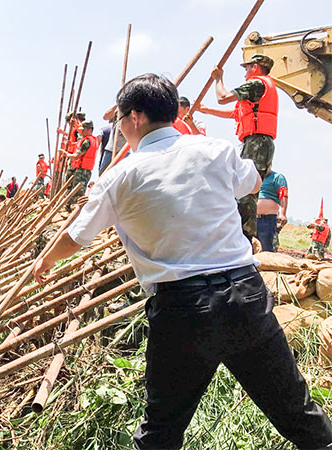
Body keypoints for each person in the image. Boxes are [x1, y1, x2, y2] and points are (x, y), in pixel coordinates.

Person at [34, 73, 332, 449]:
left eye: (120, 119)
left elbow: (74, 237)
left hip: (183, 310)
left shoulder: (121, 175)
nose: (120, 127)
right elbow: (253, 183)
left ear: (135, 117)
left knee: (162, 428)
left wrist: (43, 263)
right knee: (296, 411)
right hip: (245, 299)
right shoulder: (215, 150)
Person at [197, 54, 279, 242]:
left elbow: (223, 97)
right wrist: (206, 110)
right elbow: (234, 114)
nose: (245, 74)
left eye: (247, 68)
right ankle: (243, 234)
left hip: (258, 142)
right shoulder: (261, 91)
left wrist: (218, 78)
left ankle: (244, 236)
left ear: (256, 67)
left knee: (247, 189)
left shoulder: (256, 84)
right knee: (245, 187)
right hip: (258, 142)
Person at [60, 120, 99, 207]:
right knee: (77, 189)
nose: (81, 131)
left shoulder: (87, 141)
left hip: (82, 171)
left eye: (83, 129)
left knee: (77, 192)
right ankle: (70, 207)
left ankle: (73, 208)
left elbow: (76, 155)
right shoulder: (92, 140)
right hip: (86, 169)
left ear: (89, 129)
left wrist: (66, 154)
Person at [256, 168, 288, 252]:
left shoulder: (277, 177)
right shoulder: (253, 177)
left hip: (267, 220)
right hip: (250, 219)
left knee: (266, 250)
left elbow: (283, 195)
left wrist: (283, 213)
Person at [99, 105, 128, 175]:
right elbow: (105, 117)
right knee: (103, 174)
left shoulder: (134, 111)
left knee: (120, 175)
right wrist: (118, 104)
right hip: (111, 149)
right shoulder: (118, 110)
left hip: (124, 150)